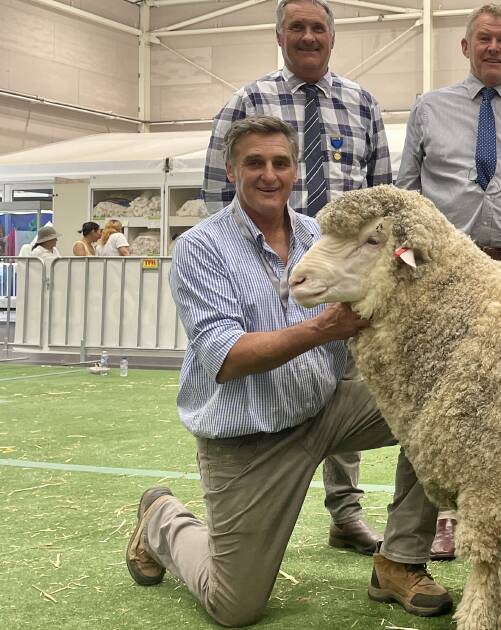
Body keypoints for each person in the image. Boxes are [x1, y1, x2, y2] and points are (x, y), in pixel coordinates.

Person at [127, 116, 451, 626]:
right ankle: (162, 520)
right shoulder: (200, 247)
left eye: (280, 163)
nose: (269, 174)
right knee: (234, 607)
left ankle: (399, 561)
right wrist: (324, 328)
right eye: (254, 163)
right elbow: (225, 356)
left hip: (325, 410)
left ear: (295, 171)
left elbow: (400, 266)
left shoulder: (320, 235)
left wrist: (416, 262)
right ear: (232, 170)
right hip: (250, 441)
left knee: (436, 408)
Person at [200, 0, 393, 554]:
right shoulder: (249, 101)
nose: (308, 37)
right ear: (279, 36)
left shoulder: (362, 104)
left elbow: (383, 198)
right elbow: (218, 187)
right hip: (265, 266)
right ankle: (253, 493)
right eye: (297, 28)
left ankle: (346, 513)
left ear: (332, 38)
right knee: (268, 375)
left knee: (352, 382)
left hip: (345, 278)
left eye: (318, 28)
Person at [395, 3, 501, 560]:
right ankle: (436, 520)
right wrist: (408, 273)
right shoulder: (428, 109)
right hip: (442, 286)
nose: (494, 47)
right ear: (465, 48)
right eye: (483, 39)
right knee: (435, 406)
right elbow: (406, 201)